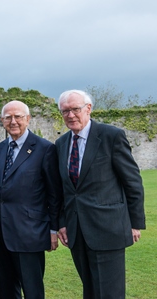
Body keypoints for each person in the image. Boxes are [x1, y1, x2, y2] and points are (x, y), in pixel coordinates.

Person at [55, 90, 146, 299]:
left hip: (108, 229)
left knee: (109, 294)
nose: (70, 115)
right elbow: (62, 189)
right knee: (91, 290)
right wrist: (61, 223)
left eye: (75, 109)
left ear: (88, 109)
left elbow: (132, 181)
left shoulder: (111, 136)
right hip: (77, 231)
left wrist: (134, 223)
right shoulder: (61, 144)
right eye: (65, 111)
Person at [0, 100, 62, 299]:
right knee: (6, 289)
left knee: (32, 290)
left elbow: (54, 194)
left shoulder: (45, 148)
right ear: (2, 120)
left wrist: (53, 229)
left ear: (28, 119)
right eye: (8, 117)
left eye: (18, 116)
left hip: (29, 233)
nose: (13, 121)